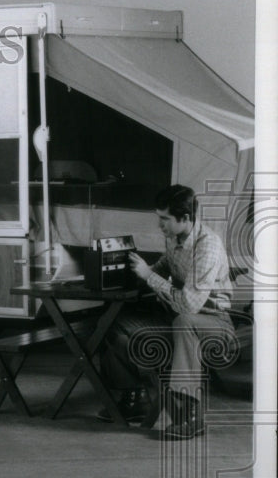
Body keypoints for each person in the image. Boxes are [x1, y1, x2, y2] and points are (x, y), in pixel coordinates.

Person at [100, 184, 235, 440]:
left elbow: (189, 306)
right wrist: (132, 271)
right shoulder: (174, 238)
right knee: (115, 322)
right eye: (158, 218)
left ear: (185, 218)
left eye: (165, 219)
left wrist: (149, 276)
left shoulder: (207, 246)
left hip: (214, 324)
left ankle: (190, 416)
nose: (160, 225)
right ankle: (134, 397)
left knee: (185, 321)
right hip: (177, 318)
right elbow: (164, 267)